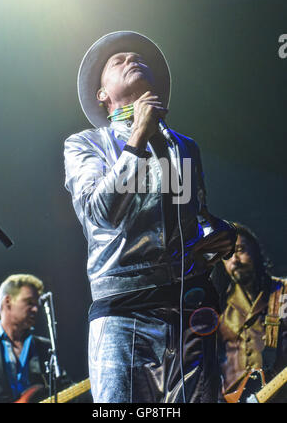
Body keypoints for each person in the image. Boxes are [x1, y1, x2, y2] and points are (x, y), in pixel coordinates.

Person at [64, 31, 236, 403]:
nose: (132, 59)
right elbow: (99, 214)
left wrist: (218, 233)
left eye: (138, 57)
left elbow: (194, 216)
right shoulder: (85, 144)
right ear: (102, 95)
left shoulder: (184, 146)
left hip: (189, 312)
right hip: (125, 314)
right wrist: (138, 136)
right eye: (118, 60)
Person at [215, 223, 287, 403]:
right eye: (226, 256)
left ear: (256, 252)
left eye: (240, 250)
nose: (234, 260)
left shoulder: (283, 293)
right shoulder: (218, 304)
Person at [0, 274, 83, 403]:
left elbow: (64, 387)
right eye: (29, 302)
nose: (36, 309)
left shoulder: (45, 347)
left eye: (37, 304)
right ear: (8, 301)